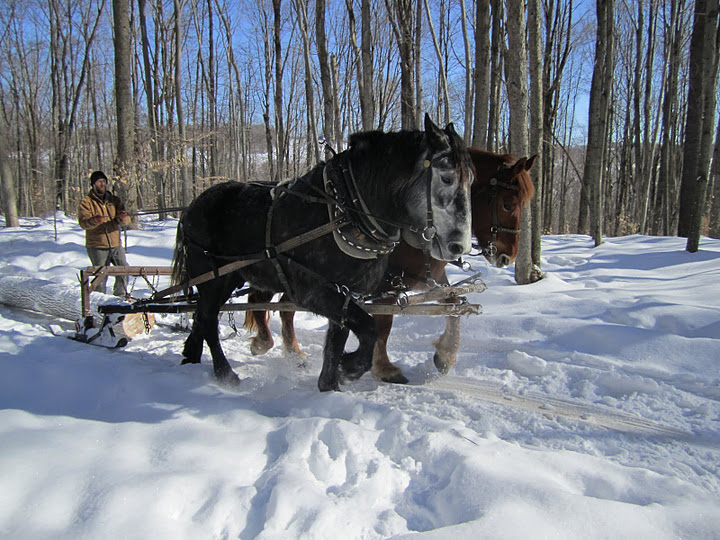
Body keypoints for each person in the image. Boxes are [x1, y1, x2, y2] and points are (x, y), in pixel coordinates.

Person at [77, 170, 131, 296]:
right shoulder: (86, 202)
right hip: (97, 246)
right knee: (101, 276)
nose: (102, 184)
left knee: (124, 270)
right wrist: (94, 220)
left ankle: (120, 298)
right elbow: (83, 223)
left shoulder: (115, 200)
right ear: (93, 184)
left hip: (115, 244)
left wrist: (122, 218)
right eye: (99, 182)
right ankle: (99, 301)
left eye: (104, 182)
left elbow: (127, 220)